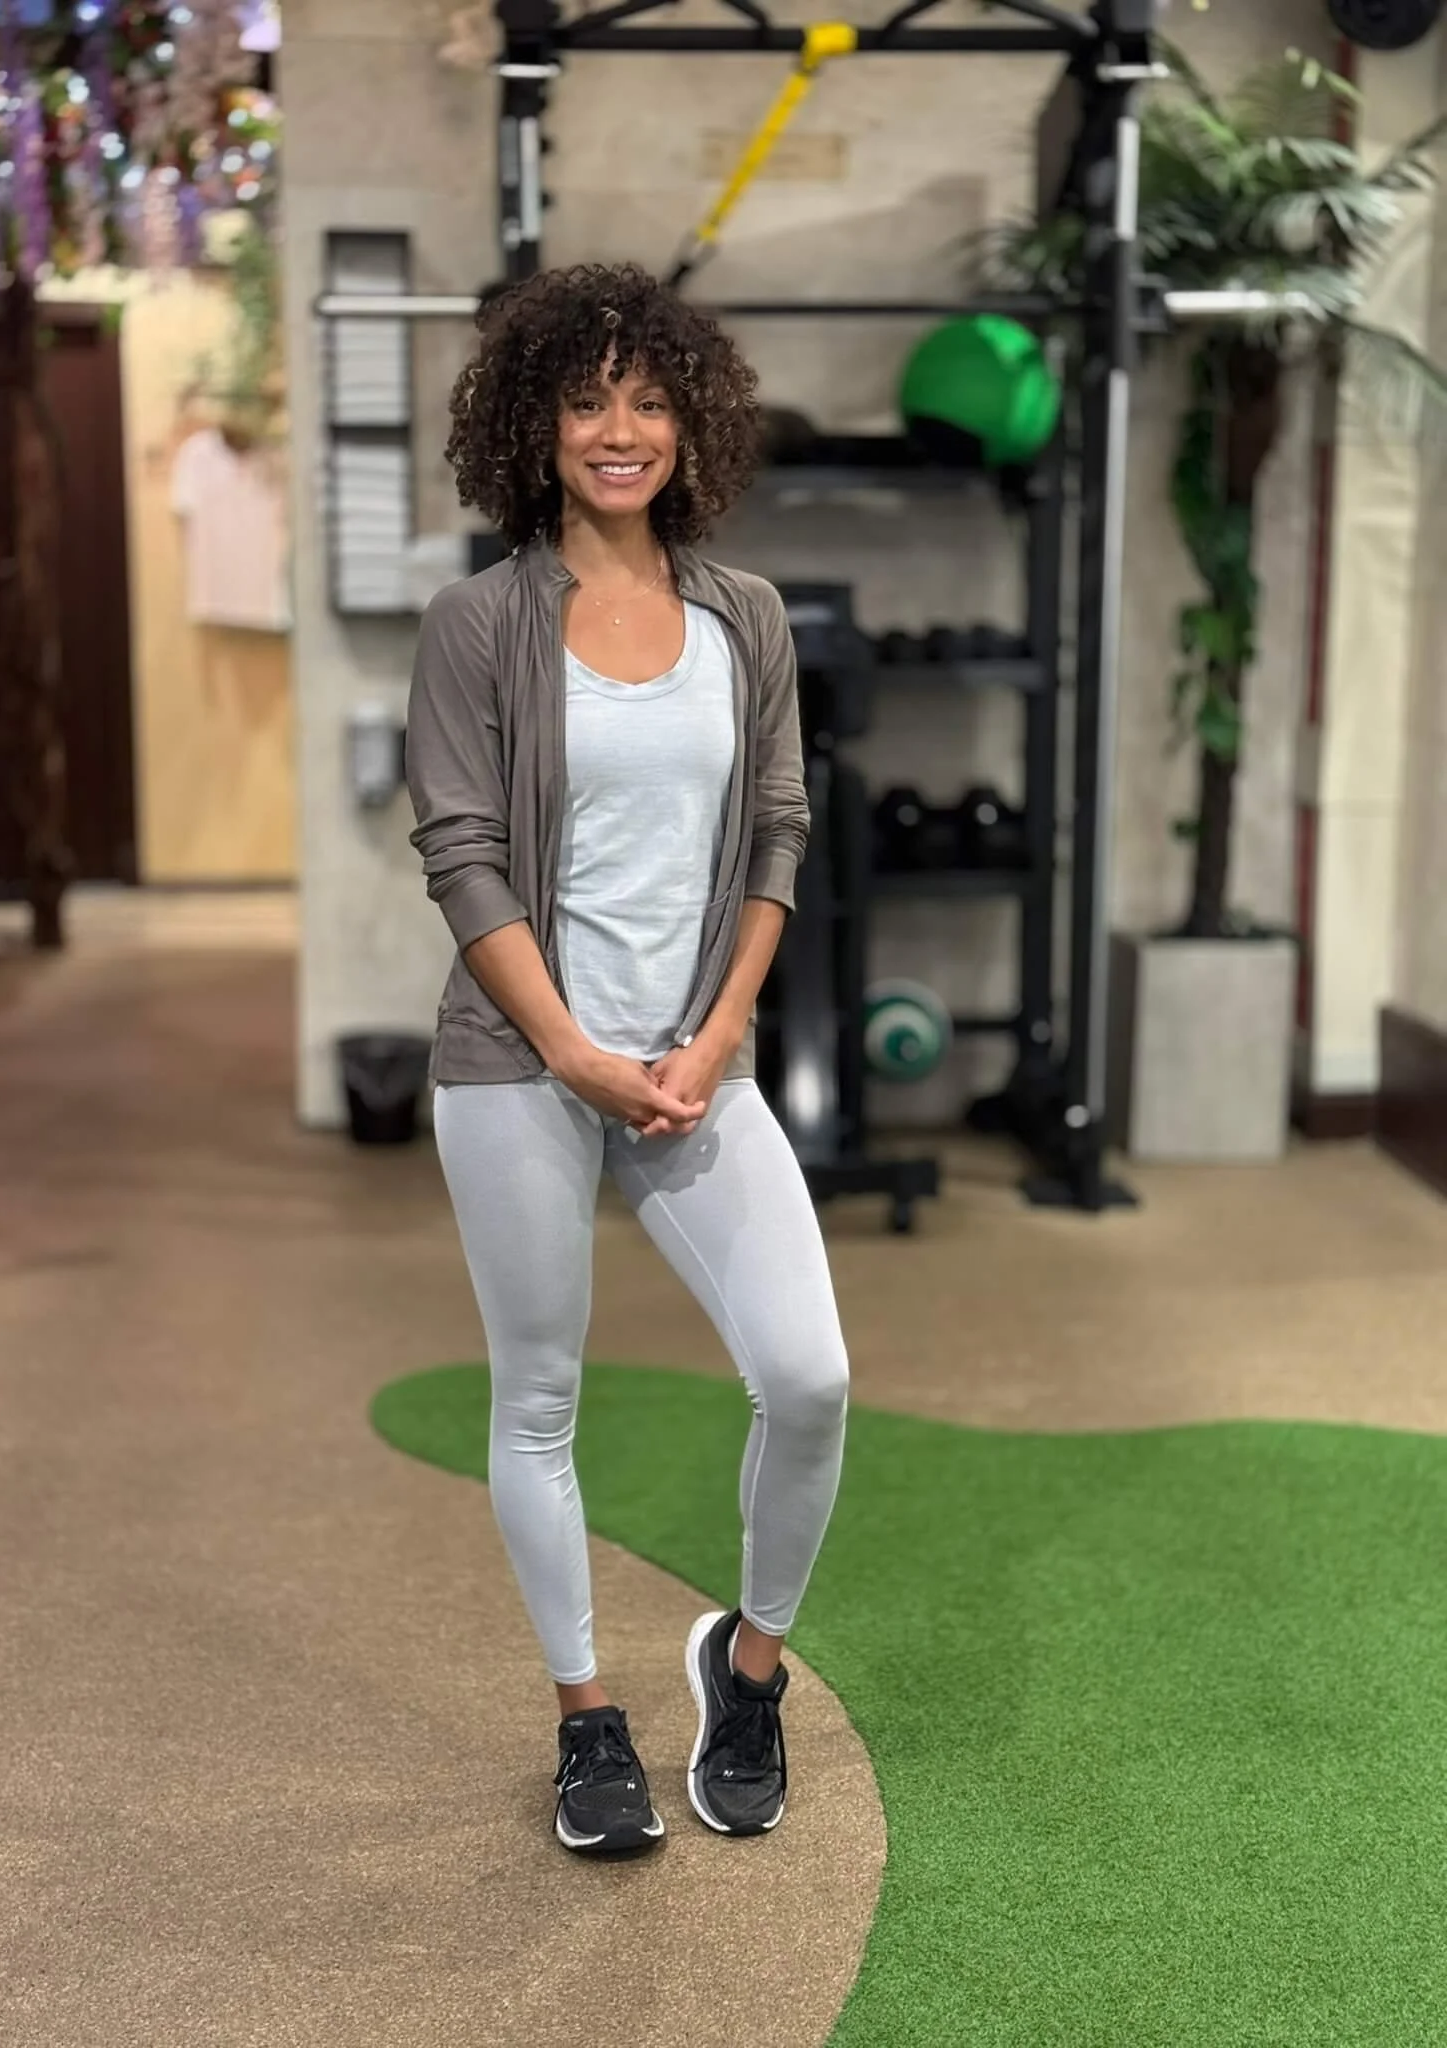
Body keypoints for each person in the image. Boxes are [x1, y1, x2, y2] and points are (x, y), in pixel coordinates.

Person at [406, 262, 851, 1856]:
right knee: (538, 1399)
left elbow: (779, 828)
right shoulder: (476, 624)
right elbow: (462, 855)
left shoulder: (747, 618)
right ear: (532, 422)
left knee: (809, 1378)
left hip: (696, 1067)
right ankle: (586, 1719)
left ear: (691, 421)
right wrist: (574, 1050)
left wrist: (719, 1034)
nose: (620, 430)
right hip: (522, 1065)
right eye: (588, 399)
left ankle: (748, 1670)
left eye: (650, 400)